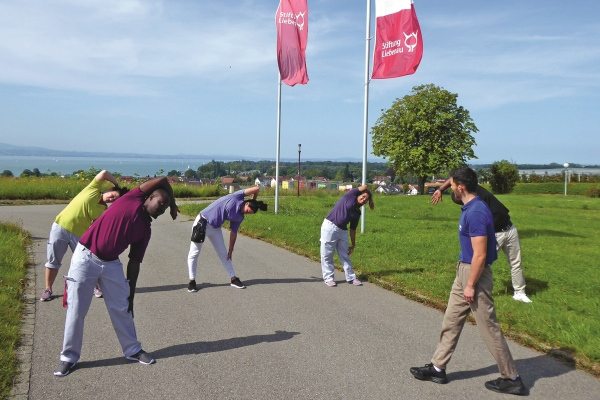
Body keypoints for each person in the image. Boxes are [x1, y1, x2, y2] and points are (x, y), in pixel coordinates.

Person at [411, 167, 527, 395]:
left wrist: (471, 285)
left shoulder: (476, 212)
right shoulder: (471, 206)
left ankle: (511, 377)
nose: (450, 187)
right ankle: (438, 367)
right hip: (463, 271)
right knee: (451, 321)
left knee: (488, 327)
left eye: (452, 184)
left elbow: (481, 255)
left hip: (475, 274)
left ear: (461, 187)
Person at [53, 177, 178, 377]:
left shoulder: (145, 230)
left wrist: (132, 295)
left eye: (165, 208)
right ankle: (68, 357)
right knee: (77, 309)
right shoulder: (132, 198)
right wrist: (174, 203)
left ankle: (133, 350)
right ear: (150, 196)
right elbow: (162, 179)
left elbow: (134, 262)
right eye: (161, 204)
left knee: (123, 307)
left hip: (111, 264)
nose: (162, 209)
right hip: (85, 257)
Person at [431, 178, 532, 303]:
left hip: (509, 228)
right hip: (495, 234)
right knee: (481, 264)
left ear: (462, 190)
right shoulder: (474, 210)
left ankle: (520, 293)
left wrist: (440, 189)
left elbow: (453, 177)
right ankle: (473, 290)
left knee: (516, 262)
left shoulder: (474, 189)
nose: (462, 200)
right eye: (459, 201)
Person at [41, 170, 128, 302]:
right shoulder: (93, 189)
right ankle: (48, 289)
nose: (111, 199)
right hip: (60, 227)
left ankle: (95, 287)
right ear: (109, 190)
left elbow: (96, 227)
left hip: (78, 235)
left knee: (87, 262)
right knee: (53, 260)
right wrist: (117, 184)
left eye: (114, 200)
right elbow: (104, 173)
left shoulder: (104, 210)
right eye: (112, 195)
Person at [186, 186, 267, 292]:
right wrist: (253, 199)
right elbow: (257, 188)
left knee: (225, 255)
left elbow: (233, 233)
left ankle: (233, 279)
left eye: (249, 214)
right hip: (203, 222)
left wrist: (231, 250)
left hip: (215, 228)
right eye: (248, 211)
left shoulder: (240, 217)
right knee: (194, 253)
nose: (246, 213)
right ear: (247, 203)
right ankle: (192, 281)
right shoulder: (237, 197)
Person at [320, 185, 374, 287]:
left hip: (342, 230)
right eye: (363, 197)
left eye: (366, 200)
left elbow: (353, 230)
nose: (364, 200)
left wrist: (353, 244)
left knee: (345, 254)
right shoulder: (350, 196)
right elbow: (365, 186)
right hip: (330, 226)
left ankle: (351, 277)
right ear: (358, 195)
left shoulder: (358, 213)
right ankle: (328, 278)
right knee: (327, 254)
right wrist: (371, 199)